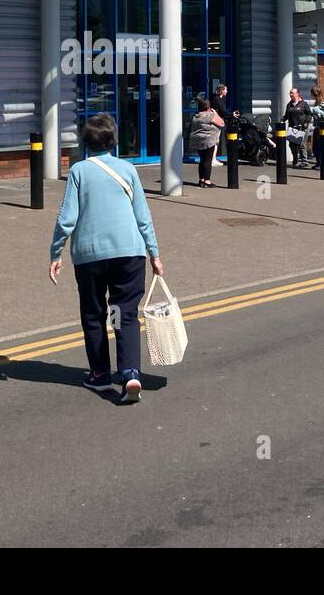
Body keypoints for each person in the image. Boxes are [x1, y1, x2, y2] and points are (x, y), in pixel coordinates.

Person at [49, 114, 164, 403]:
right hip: (129, 252)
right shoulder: (128, 169)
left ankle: (100, 375)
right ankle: (130, 373)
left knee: (94, 314)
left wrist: (55, 253)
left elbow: (66, 219)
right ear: (113, 140)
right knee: (125, 313)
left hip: (89, 256)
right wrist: (154, 253)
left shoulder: (79, 171)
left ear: (85, 142)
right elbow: (143, 217)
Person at [188, 93, 226, 187]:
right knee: (208, 160)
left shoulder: (196, 116)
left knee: (202, 160)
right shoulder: (210, 115)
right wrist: (216, 113)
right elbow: (222, 123)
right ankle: (207, 181)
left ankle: (201, 180)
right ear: (208, 106)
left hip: (198, 140)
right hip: (208, 141)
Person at [283, 88, 313, 167]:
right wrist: (282, 120)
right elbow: (287, 115)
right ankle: (295, 158)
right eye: (290, 93)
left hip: (302, 127)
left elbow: (309, 114)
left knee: (302, 144)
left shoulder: (303, 104)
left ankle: (304, 161)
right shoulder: (289, 104)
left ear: (297, 94)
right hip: (292, 127)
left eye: (292, 93)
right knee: (291, 145)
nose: (290, 94)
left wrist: (306, 122)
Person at [308, 86, 324, 170]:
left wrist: (317, 114)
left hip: (322, 128)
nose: (310, 95)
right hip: (317, 127)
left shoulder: (322, 103)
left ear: (314, 94)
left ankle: (322, 164)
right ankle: (319, 163)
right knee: (316, 147)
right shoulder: (317, 103)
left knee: (320, 146)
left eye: (311, 93)